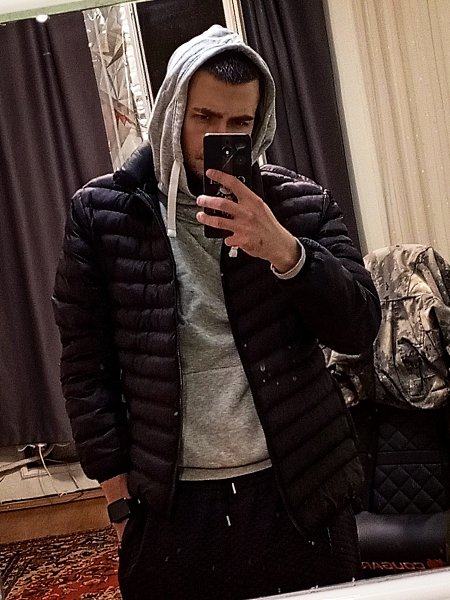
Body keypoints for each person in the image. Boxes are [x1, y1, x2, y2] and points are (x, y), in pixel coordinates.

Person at [53, 25, 381, 600]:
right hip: (171, 503)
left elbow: (359, 328)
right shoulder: (101, 215)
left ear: (261, 124)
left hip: (297, 489)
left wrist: (287, 251)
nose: (219, 138)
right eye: (203, 117)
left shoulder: (299, 205)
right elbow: (86, 367)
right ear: (171, 114)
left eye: (239, 123)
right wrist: (118, 500)